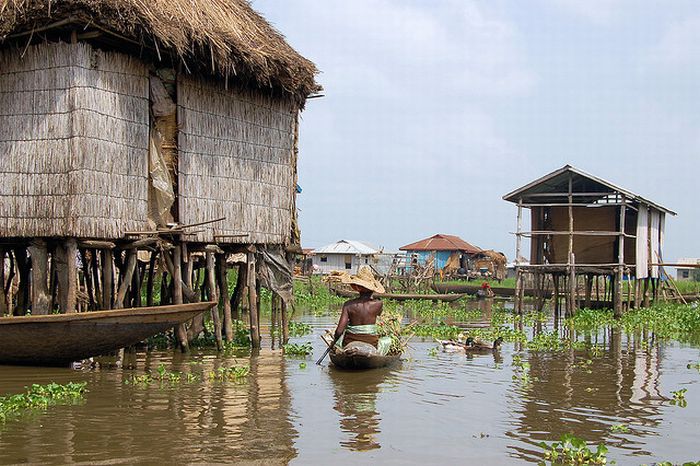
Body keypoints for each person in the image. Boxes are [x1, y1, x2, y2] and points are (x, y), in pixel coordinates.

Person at [333, 266, 392, 356]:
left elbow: (339, 331)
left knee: (339, 344)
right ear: (373, 288)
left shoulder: (348, 305)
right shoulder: (378, 304)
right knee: (388, 340)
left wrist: (334, 342)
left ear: (357, 288)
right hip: (371, 342)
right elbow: (379, 314)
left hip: (350, 341)